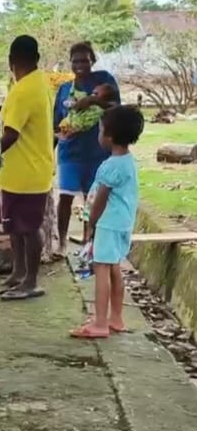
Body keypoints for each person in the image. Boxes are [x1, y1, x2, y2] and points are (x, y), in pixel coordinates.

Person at [70, 105, 144, 339]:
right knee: (114, 268)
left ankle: (100, 322)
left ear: (109, 136)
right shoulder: (128, 162)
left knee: (101, 269)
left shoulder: (110, 166)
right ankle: (116, 317)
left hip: (107, 223)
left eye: (100, 130)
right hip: (122, 223)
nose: (99, 135)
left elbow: (100, 200)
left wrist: (91, 222)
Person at [0, 35, 55, 301]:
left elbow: (10, 135)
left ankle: (30, 281)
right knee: (14, 227)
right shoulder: (38, 83)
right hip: (19, 172)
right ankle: (18, 274)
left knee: (29, 228)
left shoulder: (23, 91)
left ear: (11, 61)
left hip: (28, 171)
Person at [54, 42, 120, 253]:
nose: (80, 64)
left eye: (85, 60)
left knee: (91, 199)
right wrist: (53, 145)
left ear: (93, 61)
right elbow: (55, 121)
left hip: (97, 153)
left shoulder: (104, 81)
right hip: (69, 153)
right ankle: (62, 243)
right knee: (64, 197)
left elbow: (117, 108)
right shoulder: (65, 89)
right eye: (76, 61)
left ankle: (87, 241)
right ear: (70, 63)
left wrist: (92, 101)